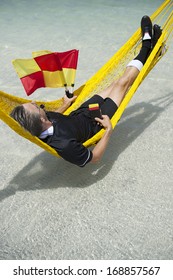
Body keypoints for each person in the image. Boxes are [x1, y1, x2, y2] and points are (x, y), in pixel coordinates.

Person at [10, 16, 162, 167]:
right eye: (37, 107)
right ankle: (147, 44)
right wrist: (108, 130)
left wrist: (65, 104)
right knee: (123, 83)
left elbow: (55, 116)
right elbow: (94, 158)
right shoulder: (63, 145)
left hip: (84, 111)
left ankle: (151, 52)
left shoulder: (39, 121)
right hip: (98, 121)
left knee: (117, 81)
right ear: (41, 120)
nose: (35, 102)